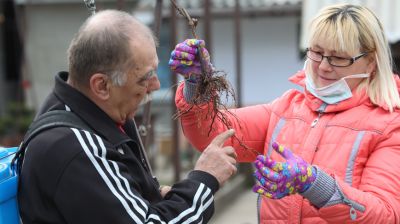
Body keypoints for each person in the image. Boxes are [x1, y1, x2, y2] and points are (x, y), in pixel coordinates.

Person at [169, 3, 400, 223]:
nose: (323, 66)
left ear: (371, 62)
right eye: (317, 52)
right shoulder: (286, 109)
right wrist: (197, 85)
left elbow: (386, 215)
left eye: (338, 58)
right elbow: (213, 135)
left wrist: (315, 184)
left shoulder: (390, 125)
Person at [18, 9, 238, 224]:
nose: (156, 85)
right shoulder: (73, 148)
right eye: (145, 78)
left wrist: (153, 194)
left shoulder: (96, 113)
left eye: (154, 71)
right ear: (102, 85)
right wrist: (204, 179)